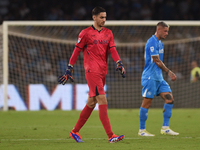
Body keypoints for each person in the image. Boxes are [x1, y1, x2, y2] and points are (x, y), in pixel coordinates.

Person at [58, 6, 125, 143]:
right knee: (102, 100)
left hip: (103, 71)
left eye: (105, 17)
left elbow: (112, 49)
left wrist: (119, 62)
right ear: (94, 17)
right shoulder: (85, 33)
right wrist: (69, 68)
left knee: (92, 102)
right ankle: (111, 135)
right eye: (101, 17)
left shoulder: (108, 33)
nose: (104, 20)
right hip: (91, 70)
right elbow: (76, 51)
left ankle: (74, 131)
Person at [138, 21, 179, 136]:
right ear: (158, 30)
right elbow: (156, 60)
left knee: (169, 99)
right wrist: (169, 72)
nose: (167, 33)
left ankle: (165, 128)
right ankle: (142, 130)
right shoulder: (152, 42)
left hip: (159, 78)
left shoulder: (160, 43)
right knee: (147, 103)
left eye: (167, 31)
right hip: (150, 77)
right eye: (165, 31)